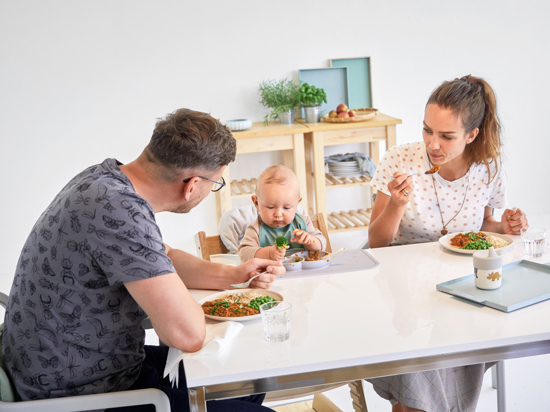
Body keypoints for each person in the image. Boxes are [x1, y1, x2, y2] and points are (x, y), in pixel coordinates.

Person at [1, 108, 284, 412]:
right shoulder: (119, 210)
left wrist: (234, 275)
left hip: (81, 368)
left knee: (248, 376)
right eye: (214, 184)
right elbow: (187, 335)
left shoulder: (103, 181)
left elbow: (165, 257)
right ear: (191, 186)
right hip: (78, 396)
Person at [366, 75, 528, 412]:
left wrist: (505, 226)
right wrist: (396, 204)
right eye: (427, 130)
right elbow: (377, 243)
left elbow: (483, 228)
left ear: (471, 135)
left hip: (462, 283)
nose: (432, 144)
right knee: (415, 371)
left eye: (446, 136)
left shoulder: (489, 168)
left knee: (458, 343)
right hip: (401, 283)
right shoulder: (399, 160)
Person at [238, 165, 326, 262]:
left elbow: (322, 244)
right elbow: (244, 254)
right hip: (271, 275)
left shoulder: (303, 222)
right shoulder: (256, 229)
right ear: (256, 203)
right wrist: (268, 253)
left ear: (297, 203)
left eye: (286, 208)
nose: (278, 214)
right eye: (270, 207)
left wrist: (311, 241)